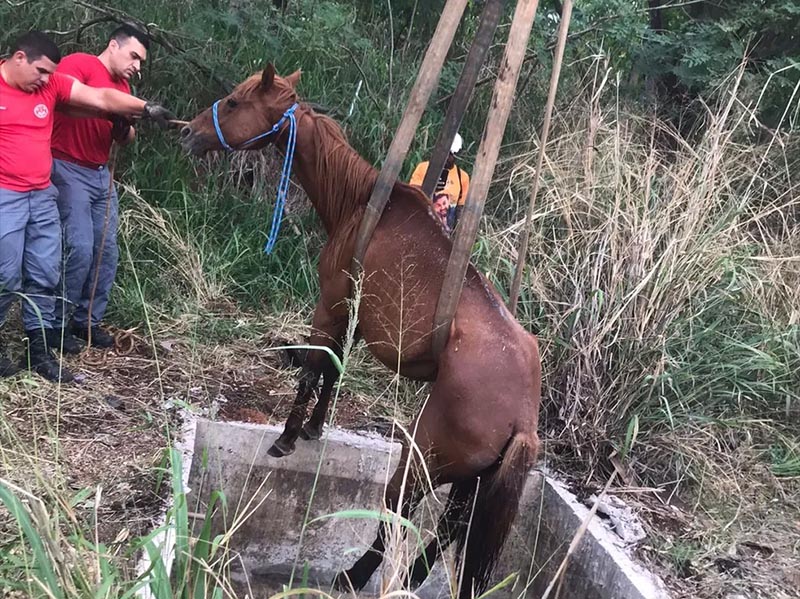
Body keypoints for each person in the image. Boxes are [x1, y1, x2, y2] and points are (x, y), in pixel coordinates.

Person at [0, 30, 174, 382]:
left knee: (46, 271)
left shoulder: (50, 86)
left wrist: (144, 109)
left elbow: (100, 97)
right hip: (8, 195)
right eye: (42, 71)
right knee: (6, 273)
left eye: (50, 73)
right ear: (19, 58)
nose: (48, 79)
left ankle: (39, 350)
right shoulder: (21, 84)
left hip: (42, 193)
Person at [50, 25, 149, 353]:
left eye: (141, 61)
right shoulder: (80, 64)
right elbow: (64, 99)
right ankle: (56, 324)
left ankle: (87, 321)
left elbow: (129, 137)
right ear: (113, 45)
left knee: (106, 252)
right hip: (66, 166)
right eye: (134, 56)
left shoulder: (123, 86)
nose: (137, 65)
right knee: (78, 247)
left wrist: (124, 129)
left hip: (99, 174)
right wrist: (113, 110)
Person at [409, 132, 470, 232]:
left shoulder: (462, 177)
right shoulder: (424, 168)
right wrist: (430, 187)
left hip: (445, 232)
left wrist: (458, 232)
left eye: (450, 154)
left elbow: (460, 208)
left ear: (457, 155)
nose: (446, 157)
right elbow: (412, 195)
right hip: (421, 227)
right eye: (444, 152)